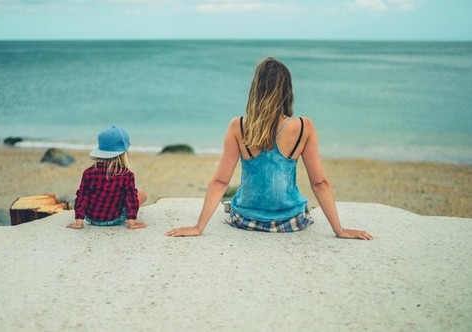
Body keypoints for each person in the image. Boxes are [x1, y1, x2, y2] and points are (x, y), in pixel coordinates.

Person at [165, 57, 373, 240]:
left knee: (234, 201)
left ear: (255, 89)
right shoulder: (303, 127)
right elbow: (319, 183)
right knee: (302, 205)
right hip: (291, 221)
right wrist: (339, 230)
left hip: (246, 219)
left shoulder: (238, 126)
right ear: (287, 90)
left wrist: (198, 227)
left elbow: (220, 181)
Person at [67, 126, 148, 230]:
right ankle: (130, 220)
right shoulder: (127, 175)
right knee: (142, 194)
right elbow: (131, 198)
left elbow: (82, 196)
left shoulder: (88, 172)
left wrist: (78, 222)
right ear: (124, 153)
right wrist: (132, 222)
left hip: (91, 218)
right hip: (115, 219)